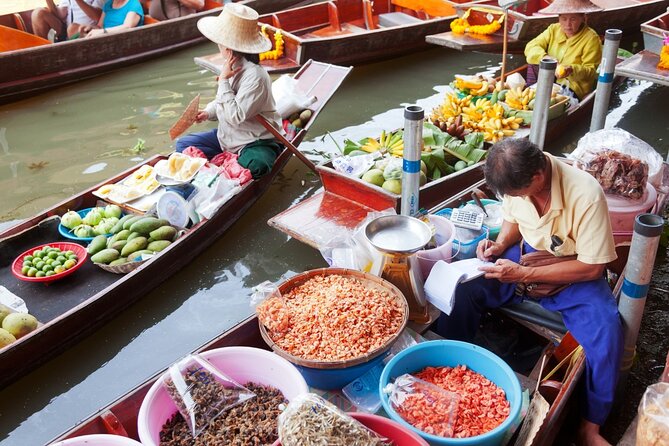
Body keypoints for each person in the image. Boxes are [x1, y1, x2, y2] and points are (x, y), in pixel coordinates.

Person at [436, 139, 623, 446]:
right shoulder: (518, 179)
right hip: (525, 255)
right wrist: (499, 244)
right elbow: (513, 220)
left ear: (537, 177)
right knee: (464, 289)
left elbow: (592, 268)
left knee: (607, 331)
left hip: (574, 269)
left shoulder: (585, 194)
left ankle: (590, 426)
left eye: (517, 192)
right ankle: (449, 365)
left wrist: (524, 274)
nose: (514, 198)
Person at [175, 3, 283, 179]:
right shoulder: (230, 66)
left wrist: (223, 81)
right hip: (228, 137)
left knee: (257, 165)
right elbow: (224, 101)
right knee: (183, 145)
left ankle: (227, 169)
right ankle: (225, 166)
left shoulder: (256, 76)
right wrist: (208, 112)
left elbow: (235, 116)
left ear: (227, 47)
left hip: (254, 141)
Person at [524, 0, 603, 100]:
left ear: (583, 18)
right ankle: (530, 92)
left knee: (551, 102)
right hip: (549, 78)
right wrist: (545, 58)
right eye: (564, 19)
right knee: (533, 61)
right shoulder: (553, 29)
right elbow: (531, 46)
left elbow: (590, 71)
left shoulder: (591, 38)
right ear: (559, 18)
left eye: (573, 19)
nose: (568, 24)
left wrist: (571, 70)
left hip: (572, 87)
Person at [31, 0, 104, 41]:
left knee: (72, 28)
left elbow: (97, 16)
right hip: (66, 32)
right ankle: (45, 53)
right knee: (38, 14)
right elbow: (61, 14)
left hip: (85, 32)